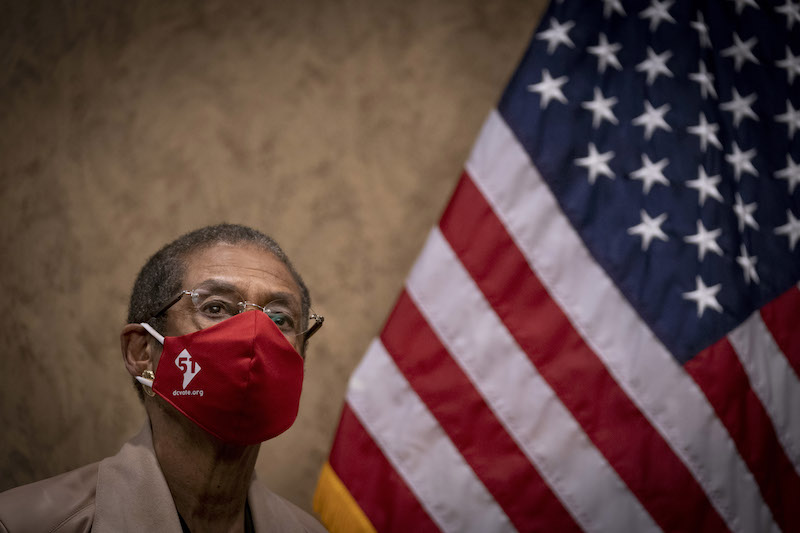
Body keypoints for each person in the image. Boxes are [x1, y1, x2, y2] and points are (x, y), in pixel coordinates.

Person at [0, 224, 328, 532]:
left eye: (280, 319)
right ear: (142, 352)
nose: (254, 335)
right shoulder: (23, 524)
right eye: (215, 308)